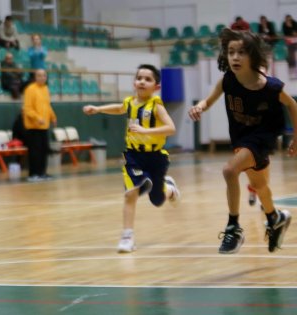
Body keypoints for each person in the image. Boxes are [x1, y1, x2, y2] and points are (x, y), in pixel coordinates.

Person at [188, 28, 297, 254]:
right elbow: (208, 101)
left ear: (253, 56)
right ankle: (275, 217)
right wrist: (199, 107)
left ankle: (233, 227)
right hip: (242, 138)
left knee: (229, 171)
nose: (235, 57)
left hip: (262, 138)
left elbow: (293, 105)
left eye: (242, 52)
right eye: (231, 52)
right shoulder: (228, 80)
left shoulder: (270, 86)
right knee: (259, 186)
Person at [83, 64, 181, 253]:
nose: (142, 82)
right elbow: (119, 108)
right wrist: (98, 109)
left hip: (155, 157)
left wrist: (146, 131)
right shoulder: (129, 102)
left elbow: (171, 128)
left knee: (157, 199)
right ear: (134, 82)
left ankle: (169, 189)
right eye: (139, 78)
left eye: (148, 79)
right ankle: (127, 236)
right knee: (131, 193)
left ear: (156, 87)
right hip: (134, 156)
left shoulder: (156, 106)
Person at [23, 69, 56, 182]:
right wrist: (37, 118)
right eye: (39, 75)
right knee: (35, 152)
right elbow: (27, 109)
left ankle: (42, 173)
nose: (42, 77)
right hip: (33, 127)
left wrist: (53, 117)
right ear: (35, 77)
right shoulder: (30, 89)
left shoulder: (46, 89)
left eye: (44, 76)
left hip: (44, 127)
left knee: (44, 151)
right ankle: (33, 174)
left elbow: (47, 105)